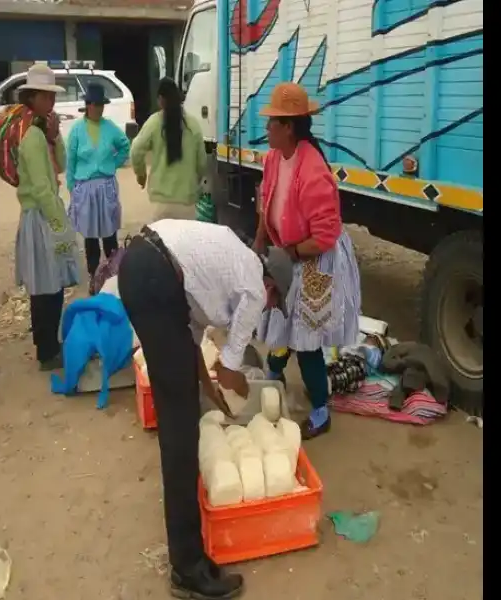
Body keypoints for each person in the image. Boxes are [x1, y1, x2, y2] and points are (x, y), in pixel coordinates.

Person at [117, 218, 294, 600]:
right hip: (155, 279)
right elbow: (231, 373)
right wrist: (236, 386)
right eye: (274, 301)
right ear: (271, 286)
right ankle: (188, 569)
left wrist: (210, 389)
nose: (268, 308)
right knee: (181, 432)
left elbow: (191, 342)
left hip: (142, 268)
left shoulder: (226, 266)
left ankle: (188, 556)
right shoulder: (252, 284)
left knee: (179, 411)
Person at [252, 82, 362, 440]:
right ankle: (274, 375)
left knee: (307, 339)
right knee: (279, 317)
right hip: (289, 253)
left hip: (317, 257)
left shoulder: (314, 171)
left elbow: (326, 236)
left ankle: (320, 409)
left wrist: (291, 253)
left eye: (272, 123)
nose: (266, 127)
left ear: (288, 128)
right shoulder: (273, 159)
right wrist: (258, 245)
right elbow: (265, 206)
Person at [14, 62, 81, 371]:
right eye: (45, 96)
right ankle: (47, 351)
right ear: (32, 98)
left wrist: (56, 137)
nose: (51, 102)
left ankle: (47, 344)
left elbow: (62, 165)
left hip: (45, 214)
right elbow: (42, 190)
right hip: (41, 217)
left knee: (49, 284)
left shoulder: (42, 132)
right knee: (47, 287)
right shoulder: (31, 137)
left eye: (52, 97)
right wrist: (60, 226)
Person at [65, 82, 131, 277]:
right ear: (88, 105)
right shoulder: (77, 130)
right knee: (90, 236)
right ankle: (94, 275)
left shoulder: (110, 127)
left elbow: (125, 146)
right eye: (96, 104)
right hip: (84, 187)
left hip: (106, 186)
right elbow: (71, 161)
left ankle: (113, 275)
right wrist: (72, 187)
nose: (99, 109)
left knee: (109, 235)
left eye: (102, 105)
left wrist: (113, 163)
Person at [130, 78, 206, 208]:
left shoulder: (154, 123)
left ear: (160, 99)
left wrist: (141, 175)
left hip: (161, 203)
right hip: (187, 202)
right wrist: (194, 182)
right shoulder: (193, 125)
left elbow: (136, 150)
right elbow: (202, 163)